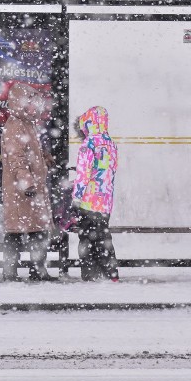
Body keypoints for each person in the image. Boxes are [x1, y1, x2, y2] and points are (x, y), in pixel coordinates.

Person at [0, 83, 55, 282]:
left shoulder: (26, 124)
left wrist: (43, 157)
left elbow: (27, 153)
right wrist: (27, 183)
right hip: (21, 191)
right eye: (30, 102)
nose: (35, 106)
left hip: (29, 190)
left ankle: (36, 270)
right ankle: (12, 273)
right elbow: (16, 158)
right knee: (17, 233)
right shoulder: (15, 125)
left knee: (37, 231)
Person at [73, 106, 120, 282]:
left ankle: (90, 275)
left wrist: (77, 197)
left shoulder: (89, 144)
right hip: (106, 202)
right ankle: (111, 274)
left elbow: (83, 175)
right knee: (103, 237)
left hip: (88, 201)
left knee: (87, 239)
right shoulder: (111, 144)